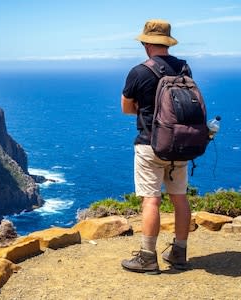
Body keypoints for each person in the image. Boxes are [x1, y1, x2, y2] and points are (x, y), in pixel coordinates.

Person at [120, 19, 191, 273]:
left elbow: (126, 108)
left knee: (151, 200)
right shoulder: (184, 68)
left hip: (149, 145)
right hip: (180, 143)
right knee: (180, 198)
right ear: (167, 42)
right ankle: (180, 253)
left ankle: (148, 257)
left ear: (146, 42)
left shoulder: (139, 71)